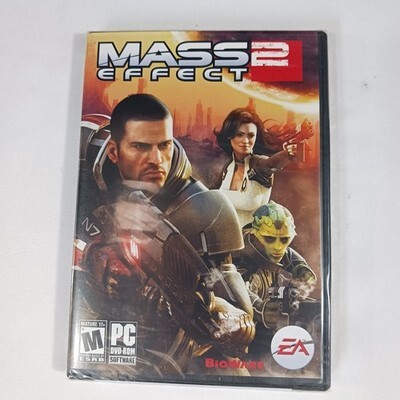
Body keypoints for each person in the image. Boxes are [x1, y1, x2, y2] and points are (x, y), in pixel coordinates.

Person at [73, 94, 255, 377]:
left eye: (164, 145)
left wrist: (219, 309)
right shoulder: (85, 170)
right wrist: (93, 256)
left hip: (167, 344)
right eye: (140, 147)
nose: (156, 160)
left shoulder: (201, 208)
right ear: (113, 152)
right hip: (100, 330)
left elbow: (240, 317)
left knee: (234, 373)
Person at [233, 201, 316, 356]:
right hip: (243, 332)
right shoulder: (242, 260)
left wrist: (302, 271)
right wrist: (260, 308)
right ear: (254, 236)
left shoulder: (267, 249)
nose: (278, 247)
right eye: (270, 239)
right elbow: (239, 290)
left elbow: (290, 256)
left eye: (284, 239)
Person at [214, 108, 297, 227]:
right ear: (229, 136)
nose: (245, 141)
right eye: (239, 135)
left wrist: (287, 154)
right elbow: (210, 195)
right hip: (223, 233)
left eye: (251, 135)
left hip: (253, 236)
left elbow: (271, 164)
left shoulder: (258, 165)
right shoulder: (228, 167)